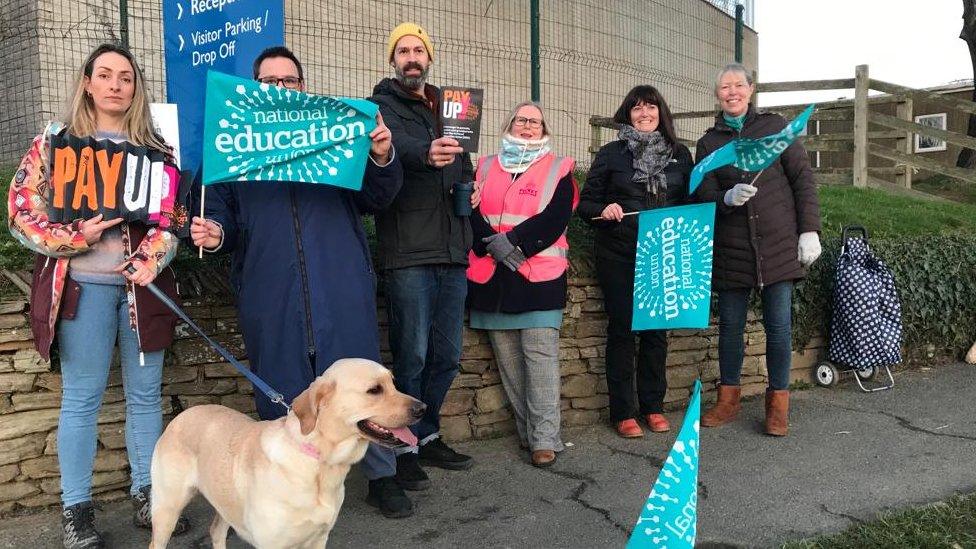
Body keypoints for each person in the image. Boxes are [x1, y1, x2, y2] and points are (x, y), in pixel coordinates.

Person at [188, 46, 413, 517]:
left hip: (341, 285)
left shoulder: (333, 136)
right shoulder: (233, 147)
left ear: (302, 87)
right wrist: (214, 230)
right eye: (268, 83)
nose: (279, 89)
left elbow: (379, 196)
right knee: (281, 383)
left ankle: (382, 476)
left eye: (288, 81)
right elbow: (220, 217)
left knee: (363, 385)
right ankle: (282, 488)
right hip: (271, 290)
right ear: (253, 91)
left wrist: (382, 154)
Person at [7, 43, 189, 549]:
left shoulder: (158, 152)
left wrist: (147, 259)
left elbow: (173, 217)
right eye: (105, 75)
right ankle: (75, 509)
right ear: (87, 82)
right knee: (82, 399)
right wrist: (72, 238)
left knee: (145, 397)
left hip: (141, 293)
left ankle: (148, 494)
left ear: (136, 88)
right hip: (79, 291)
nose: (115, 85)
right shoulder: (53, 144)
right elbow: (21, 207)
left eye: (125, 78)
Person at [370, 22, 474, 491]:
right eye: (403, 50)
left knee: (448, 356)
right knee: (410, 356)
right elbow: (391, 149)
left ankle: (428, 433)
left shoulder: (453, 107)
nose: (412, 57)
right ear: (394, 61)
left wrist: (469, 192)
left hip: (453, 249)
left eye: (419, 50)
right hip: (408, 249)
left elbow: (463, 162)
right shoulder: (379, 106)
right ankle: (403, 444)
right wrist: (422, 152)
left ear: (429, 58)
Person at [693, 63, 822, 436]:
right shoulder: (710, 143)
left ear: (750, 89)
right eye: (724, 87)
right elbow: (703, 193)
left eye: (738, 85)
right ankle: (728, 399)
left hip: (778, 243)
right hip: (732, 248)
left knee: (779, 328)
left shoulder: (775, 128)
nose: (731, 92)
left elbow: (802, 180)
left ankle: (778, 404)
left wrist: (809, 230)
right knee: (730, 327)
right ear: (717, 95)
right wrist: (726, 198)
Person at [578, 85, 694, 439]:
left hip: (663, 252)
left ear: (662, 112)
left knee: (656, 332)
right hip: (619, 252)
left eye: (651, 107)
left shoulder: (680, 154)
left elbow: (691, 202)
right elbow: (585, 204)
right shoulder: (612, 154)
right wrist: (604, 209)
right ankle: (623, 411)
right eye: (637, 108)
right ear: (627, 114)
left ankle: (653, 406)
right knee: (624, 329)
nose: (644, 114)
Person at [466, 101, 578, 468]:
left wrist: (513, 243)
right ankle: (529, 434)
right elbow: (469, 212)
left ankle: (546, 439)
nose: (528, 126)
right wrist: (494, 245)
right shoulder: (483, 165)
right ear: (509, 124)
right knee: (510, 365)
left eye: (536, 122)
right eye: (521, 120)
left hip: (538, 276)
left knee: (540, 360)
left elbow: (556, 218)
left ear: (544, 131)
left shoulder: (558, 169)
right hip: (493, 278)